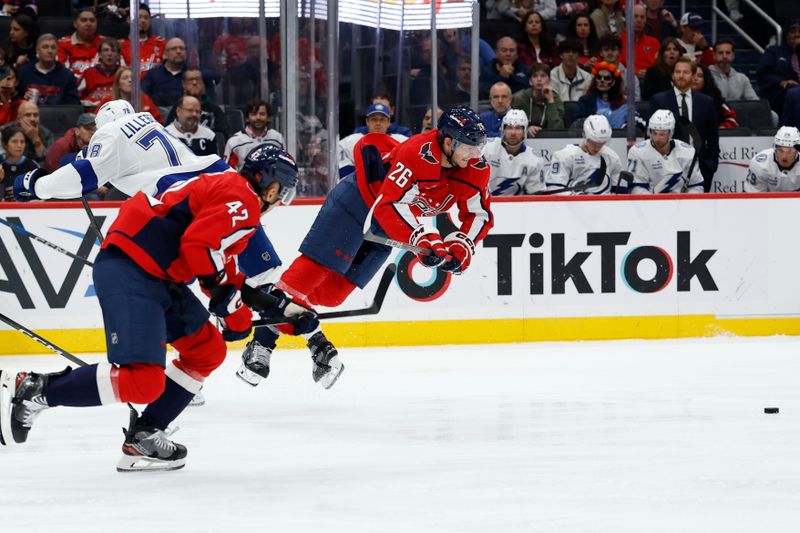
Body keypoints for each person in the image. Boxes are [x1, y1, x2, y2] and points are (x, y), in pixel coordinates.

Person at [0, 145, 304, 472]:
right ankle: (34, 389)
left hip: (153, 274)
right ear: (272, 188)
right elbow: (199, 246)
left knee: (207, 349)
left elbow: (226, 270)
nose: (279, 200)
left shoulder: (227, 189)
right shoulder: (242, 200)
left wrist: (282, 312)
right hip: (134, 269)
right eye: (281, 193)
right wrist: (230, 307)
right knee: (143, 382)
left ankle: (145, 434)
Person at [236, 106, 495, 388]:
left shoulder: (476, 169)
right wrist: (424, 238)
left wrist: (462, 246)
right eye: (471, 147)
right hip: (357, 202)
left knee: (331, 294)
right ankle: (262, 345)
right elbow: (388, 205)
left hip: (387, 225)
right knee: (310, 275)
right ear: (449, 141)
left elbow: (478, 214)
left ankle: (276, 297)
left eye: (479, 146)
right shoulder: (417, 152)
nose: (476, 154)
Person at [649, 57, 720, 192]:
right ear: (673, 74)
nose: (681, 75)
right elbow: (651, 136)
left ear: (693, 75)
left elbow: (712, 137)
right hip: (667, 167)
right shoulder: (659, 100)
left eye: (685, 72)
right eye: (677, 72)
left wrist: (710, 165)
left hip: (699, 167)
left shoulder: (706, 102)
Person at [621, 110, 704, 194]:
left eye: (662, 134)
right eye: (654, 133)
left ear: (670, 133)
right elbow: (636, 188)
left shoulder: (688, 152)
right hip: (650, 205)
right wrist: (654, 204)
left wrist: (685, 203)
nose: (657, 139)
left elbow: (697, 186)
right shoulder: (637, 152)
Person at [545, 114, 622, 195]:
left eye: (602, 144)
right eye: (593, 143)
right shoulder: (565, 156)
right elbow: (554, 188)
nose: (597, 148)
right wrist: (579, 199)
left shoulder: (613, 158)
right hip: (573, 206)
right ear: (584, 135)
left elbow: (620, 192)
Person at [484, 109, 545, 195]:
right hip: (485, 203)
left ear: (524, 132)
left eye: (518, 128)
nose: (513, 133)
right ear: (503, 130)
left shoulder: (535, 160)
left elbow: (536, 195)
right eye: (509, 128)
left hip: (517, 207)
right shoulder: (486, 148)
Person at [338, 103, 408, 178]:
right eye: (374, 119)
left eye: (382, 120)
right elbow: (343, 172)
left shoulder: (401, 141)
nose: (378, 123)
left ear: (388, 122)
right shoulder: (351, 141)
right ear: (367, 121)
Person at [16, 34, 80, 106]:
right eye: (45, 47)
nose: (50, 51)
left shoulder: (67, 75)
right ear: (37, 50)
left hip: (57, 116)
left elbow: (74, 105)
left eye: (53, 47)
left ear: (57, 51)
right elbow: (15, 100)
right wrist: (23, 99)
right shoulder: (24, 72)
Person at [164, 69, 229, 139]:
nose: (194, 83)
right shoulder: (178, 108)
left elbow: (222, 136)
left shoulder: (214, 110)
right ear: (184, 84)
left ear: (203, 84)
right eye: (190, 80)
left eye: (197, 79)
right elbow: (169, 134)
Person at [224, 100, 283, 170]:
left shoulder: (277, 138)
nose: (258, 117)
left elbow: (283, 166)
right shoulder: (234, 142)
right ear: (247, 118)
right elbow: (227, 172)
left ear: (269, 118)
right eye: (254, 114)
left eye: (262, 114)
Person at [756, 19, 800, 115]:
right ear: (786, 35)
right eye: (792, 32)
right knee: (793, 92)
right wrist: (781, 81)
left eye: (799, 32)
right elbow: (763, 74)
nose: (797, 35)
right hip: (780, 94)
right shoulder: (774, 52)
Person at [572, 61, 633, 129]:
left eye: (607, 78)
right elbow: (576, 124)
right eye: (599, 77)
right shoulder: (585, 101)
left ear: (613, 82)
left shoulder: (623, 103)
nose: (602, 80)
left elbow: (636, 124)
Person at [510, 63, 565, 137]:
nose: (539, 79)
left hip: (549, 140)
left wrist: (550, 101)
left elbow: (558, 130)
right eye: (535, 76)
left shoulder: (555, 99)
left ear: (549, 80)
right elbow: (511, 125)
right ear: (530, 81)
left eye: (543, 76)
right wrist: (526, 129)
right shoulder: (520, 98)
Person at [95, 66, 163, 125]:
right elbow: (97, 122)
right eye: (125, 78)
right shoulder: (107, 102)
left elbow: (158, 122)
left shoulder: (145, 99)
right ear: (118, 84)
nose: (130, 80)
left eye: (132, 78)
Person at [744, 126, 800, 192]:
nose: (784, 156)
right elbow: (752, 198)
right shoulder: (760, 165)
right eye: (781, 150)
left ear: (797, 151)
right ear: (775, 148)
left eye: (789, 151)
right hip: (767, 201)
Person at [120, 3, 166, 79]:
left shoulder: (161, 43)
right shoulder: (121, 46)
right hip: (131, 88)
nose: (143, 20)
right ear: (129, 20)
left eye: (146, 18)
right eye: (139, 17)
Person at [57, 8, 104, 79]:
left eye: (92, 20)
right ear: (75, 24)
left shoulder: (105, 43)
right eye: (84, 20)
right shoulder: (62, 44)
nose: (88, 24)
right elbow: (60, 73)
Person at [77, 37, 121, 112]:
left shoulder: (123, 74)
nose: (109, 54)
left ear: (118, 55)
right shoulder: (89, 73)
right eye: (105, 50)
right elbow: (77, 97)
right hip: (92, 115)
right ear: (99, 54)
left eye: (113, 51)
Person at [141, 37, 187, 107]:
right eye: (174, 49)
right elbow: (143, 97)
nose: (178, 51)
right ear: (165, 54)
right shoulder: (153, 75)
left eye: (182, 48)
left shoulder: (191, 74)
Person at [692, 63, 739, 129]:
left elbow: (732, 120)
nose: (695, 78)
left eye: (700, 76)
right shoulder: (676, 98)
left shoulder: (716, 99)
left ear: (706, 79)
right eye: (692, 75)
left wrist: (723, 127)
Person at [620, 4, 660, 81]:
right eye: (635, 16)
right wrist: (635, 72)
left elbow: (660, 67)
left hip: (650, 81)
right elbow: (617, 66)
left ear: (646, 20)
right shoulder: (618, 41)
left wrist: (649, 73)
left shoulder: (654, 43)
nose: (639, 20)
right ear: (627, 18)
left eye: (642, 17)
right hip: (626, 80)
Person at [597, 33, 641, 100]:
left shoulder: (630, 76)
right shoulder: (594, 75)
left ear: (619, 53)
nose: (610, 53)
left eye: (613, 49)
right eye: (606, 50)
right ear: (601, 53)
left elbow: (636, 101)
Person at [0, 124, 38, 200]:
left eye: (22, 141)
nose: (19, 145)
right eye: (14, 141)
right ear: (5, 144)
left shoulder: (32, 166)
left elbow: (39, 196)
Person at [549, 39, 593, 104]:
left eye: (574, 52)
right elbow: (553, 102)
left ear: (579, 56)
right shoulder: (552, 76)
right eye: (567, 52)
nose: (571, 55)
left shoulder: (587, 77)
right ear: (561, 55)